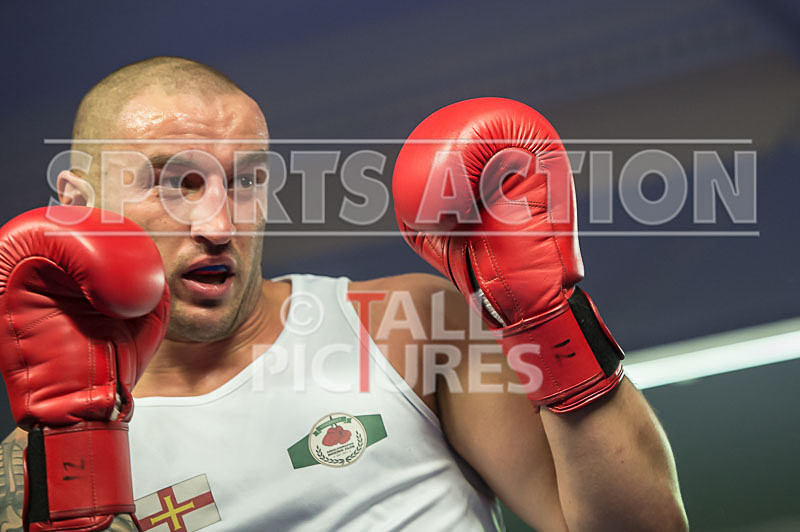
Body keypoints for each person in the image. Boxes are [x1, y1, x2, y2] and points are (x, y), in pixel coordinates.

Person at [0, 57, 687, 531]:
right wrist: (77, 461)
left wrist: (548, 317)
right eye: (174, 183)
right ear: (77, 207)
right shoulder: (44, 448)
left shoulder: (404, 327)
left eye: (245, 181)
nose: (219, 224)